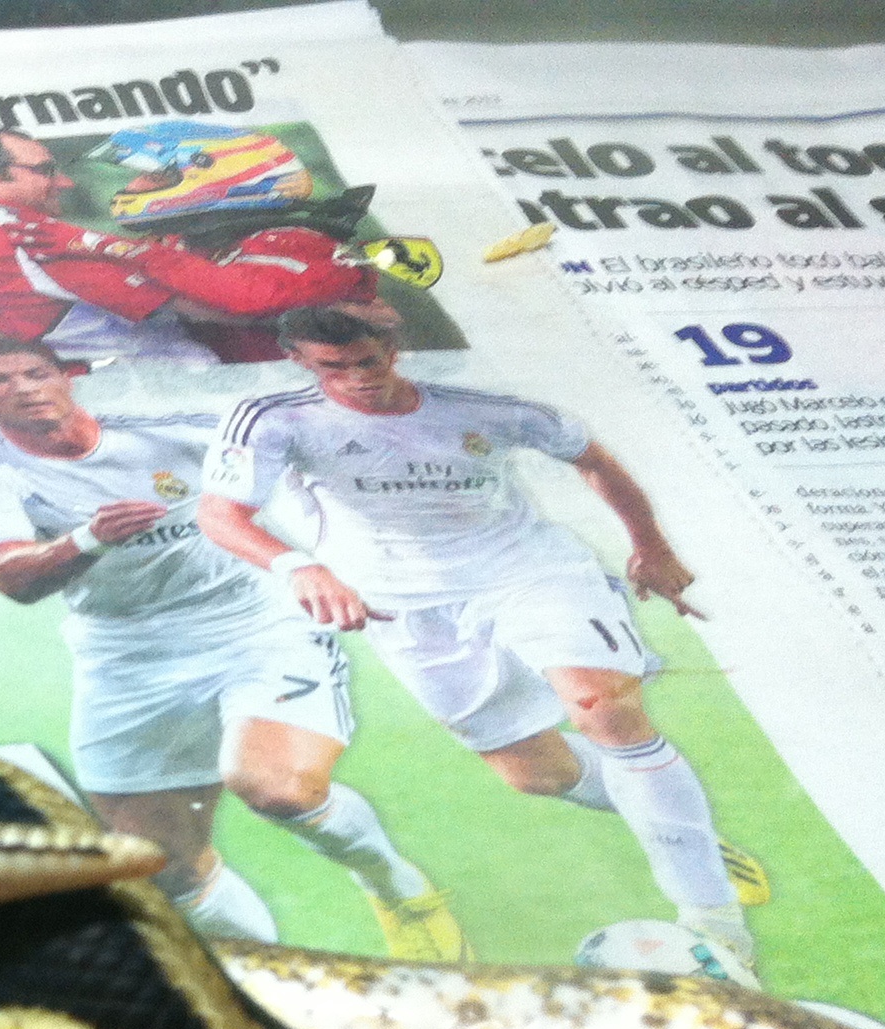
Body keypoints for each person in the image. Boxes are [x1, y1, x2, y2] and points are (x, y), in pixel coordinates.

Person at [198, 303, 765, 969]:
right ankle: (672, 822)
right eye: (333, 367)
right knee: (536, 774)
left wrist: (651, 547)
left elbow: (594, 460)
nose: (355, 377)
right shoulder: (272, 420)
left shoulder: (488, 411)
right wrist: (300, 567)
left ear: (393, 350)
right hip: (404, 607)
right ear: (299, 360)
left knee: (602, 708)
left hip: (530, 572)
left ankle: (715, 919)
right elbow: (221, 515)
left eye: (368, 361)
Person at [0, 334, 463, 957]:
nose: (22, 388)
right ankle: (283, 974)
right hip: (125, 653)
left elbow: (333, 446)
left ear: (66, 377)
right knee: (163, 865)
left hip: (254, 624)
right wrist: (86, 540)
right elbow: (11, 578)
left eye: (33, 372)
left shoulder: (180, 434)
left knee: (278, 789)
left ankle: (397, 889)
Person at [0, 127, 375, 406]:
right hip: (184, 394)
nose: (64, 182)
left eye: (157, 175)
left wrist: (121, 249)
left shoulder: (294, 239)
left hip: (283, 391)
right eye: (46, 170)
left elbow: (248, 298)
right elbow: (226, 307)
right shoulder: (22, 235)